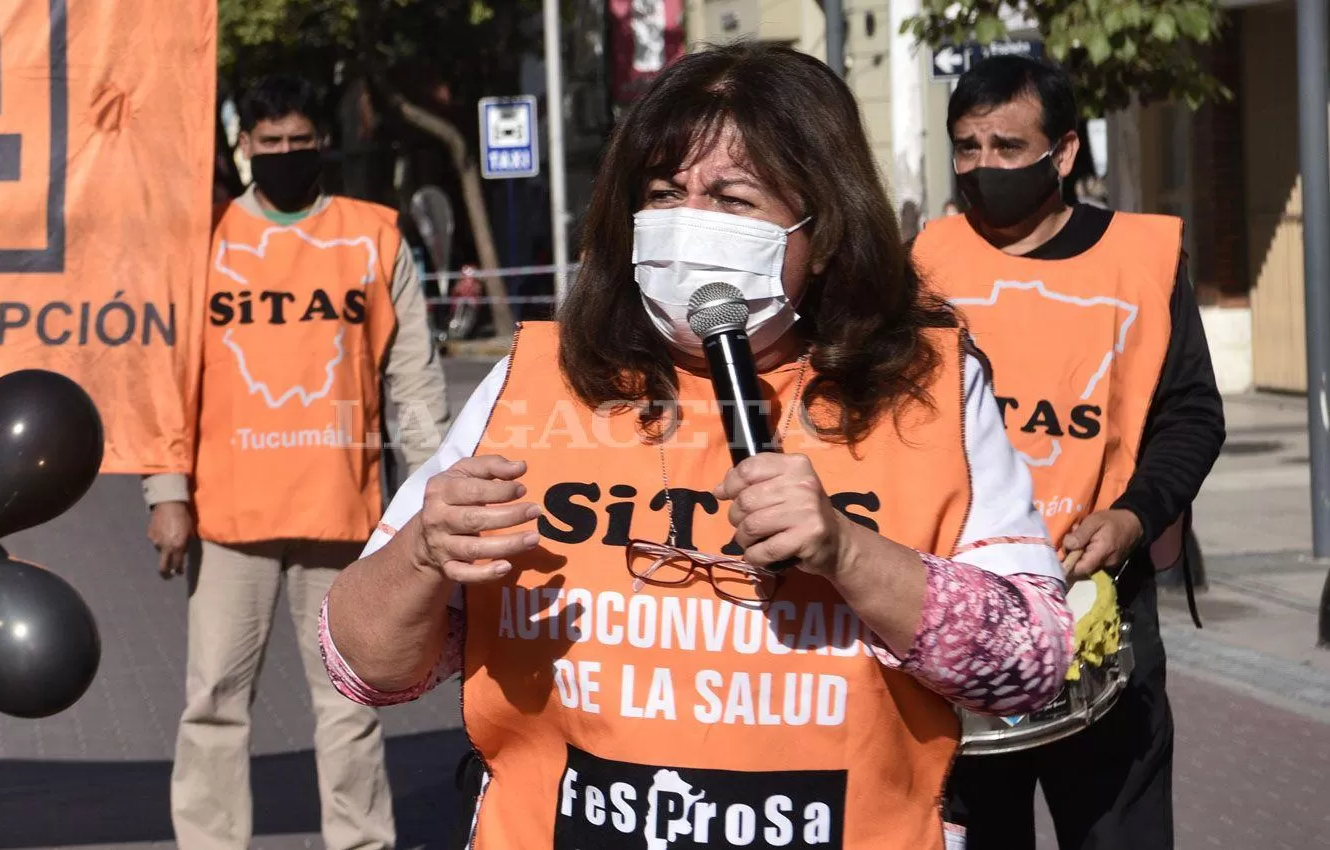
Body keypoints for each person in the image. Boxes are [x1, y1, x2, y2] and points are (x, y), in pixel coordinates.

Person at [319, 44, 1075, 849]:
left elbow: (1028, 666)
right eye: (665, 193)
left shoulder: (927, 393)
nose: (690, 226)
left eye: (732, 197)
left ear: (821, 233)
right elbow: (360, 667)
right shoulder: (538, 382)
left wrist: (850, 555)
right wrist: (424, 557)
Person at [913, 56, 1226, 849]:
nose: (983, 167)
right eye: (967, 147)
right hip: (966, 616)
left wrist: (1134, 515)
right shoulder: (925, 262)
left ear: (1063, 154)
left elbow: (1191, 414)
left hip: (1103, 607)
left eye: (1007, 147)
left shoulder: (1141, 259)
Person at [143, 74, 450, 850]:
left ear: (322, 142)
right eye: (268, 143)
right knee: (212, 698)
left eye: (298, 142)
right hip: (227, 515)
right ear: (245, 146)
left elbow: (412, 375)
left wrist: (429, 491)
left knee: (350, 700)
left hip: (342, 513)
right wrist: (165, 491)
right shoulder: (201, 239)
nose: (284, 155)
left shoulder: (372, 234)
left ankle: (362, 842)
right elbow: (165, 376)